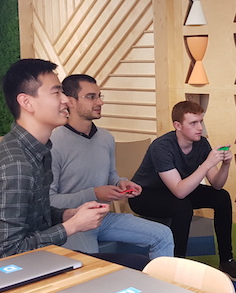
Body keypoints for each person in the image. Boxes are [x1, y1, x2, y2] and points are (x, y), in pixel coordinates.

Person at [0, 59, 112, 266]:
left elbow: (33, 214)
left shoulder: (38, 150)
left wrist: (68, 214)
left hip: (35, 263)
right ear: (27, 102)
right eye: (56, 93)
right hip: (4, 282)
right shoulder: (15, 166)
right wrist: (71, 226)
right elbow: (4, 256)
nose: (66, 100)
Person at [49, 74, 174, 260]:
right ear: (70, 101)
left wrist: (122, 183)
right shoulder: (52, 143)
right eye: (91, 97)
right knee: (91, 266)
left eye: (100, 96)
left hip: (103, 219)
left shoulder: (106, 138)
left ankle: (162, 288)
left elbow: (111, 175)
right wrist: (95, 194)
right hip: (73, 223)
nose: (100, 102)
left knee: (163, 235)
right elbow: (48, 202)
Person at [128, 101, 236, 282]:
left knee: (222, 198)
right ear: (178, 125)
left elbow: (217, 184)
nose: (199, 127)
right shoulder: (161, 147)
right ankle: (177, 264)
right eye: (193, 123)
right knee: (182, 205)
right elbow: (179, 192)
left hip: (177, 188)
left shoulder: (201, 143)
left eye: (200, 121)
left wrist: (225, 165)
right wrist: (208, 163)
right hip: (145, 195)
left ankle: (226, 260)